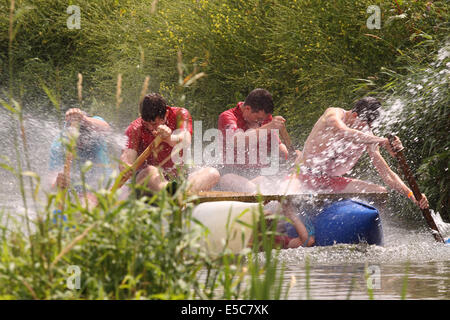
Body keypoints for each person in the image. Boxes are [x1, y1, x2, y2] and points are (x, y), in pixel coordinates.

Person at [286, 96, 428, 209]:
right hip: (302, 175)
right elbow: (343, 132)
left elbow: (386, 173)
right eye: (366, 124)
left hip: (331, 182)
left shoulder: (368, 135)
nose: (367, 129)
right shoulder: (333, 114)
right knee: (287, 196)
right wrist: (382, 141)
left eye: (371, 126)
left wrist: (412, 195)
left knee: (379, 191)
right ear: (354, 115)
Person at [119, 93, 220, 194]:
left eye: (154, 123)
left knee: (212, 173)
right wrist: (126, 166)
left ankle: (179, 192)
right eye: (146, 124)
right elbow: (127, 157)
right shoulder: (135, 128)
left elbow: (185, 141)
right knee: (150, 171)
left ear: (166, 114)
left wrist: (168, 138)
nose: (150, 128)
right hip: (148, 181)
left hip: (178, 178)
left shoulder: (180, 114)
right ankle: (175, 194)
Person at [217, 88, 301, 193]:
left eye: (263, 119)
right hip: (232, 173)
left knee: (270, 181)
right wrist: (269, 126)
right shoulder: (227, 117)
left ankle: (273, 203)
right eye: (258, 118)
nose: (261, 122)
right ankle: (264, 203)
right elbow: (237, 140)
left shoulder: (266, 118)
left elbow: (278, 147)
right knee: (228, 179)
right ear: (247, 109)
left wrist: (294, 156)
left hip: (257, 174)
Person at [47, 108, 112, 209]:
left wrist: (83, 119)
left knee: (87, 204)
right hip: (72, 189)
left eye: (84, 137)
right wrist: (58, 182)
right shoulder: (59, 145)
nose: (80, 142)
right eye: (77, 138)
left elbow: (107, 128)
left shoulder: (95, 131)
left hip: (102, 185)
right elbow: (52, 183)